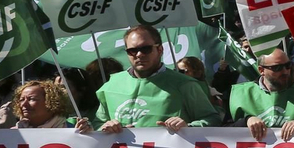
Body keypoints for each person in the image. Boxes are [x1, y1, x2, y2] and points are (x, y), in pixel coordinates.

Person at [85, 24, 219, 133]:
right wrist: (105, 127)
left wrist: (188, 127)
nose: (139, 55)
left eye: (146, 49)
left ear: (160, 50)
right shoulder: (111, 84)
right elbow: (98, 123)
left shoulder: (184, 84)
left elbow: (212, 119)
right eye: (132, 50)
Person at [228, 46, 294, 141]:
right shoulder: (241, 93)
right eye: (277, 68)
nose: (285, 71)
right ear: (261, 70)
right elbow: (221, 131)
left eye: (288, 66)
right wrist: (246, 120)